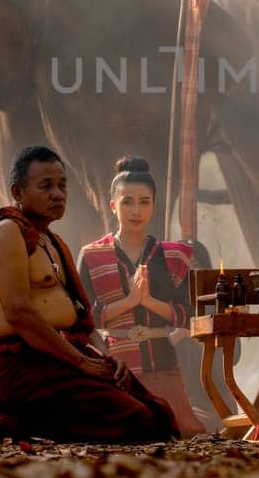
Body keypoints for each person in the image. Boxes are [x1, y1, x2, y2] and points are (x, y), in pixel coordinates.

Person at [0, 145, 179, 443]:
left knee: (160, 415)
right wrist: (80, 362)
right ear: (18, 191)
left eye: (62, 185)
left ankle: (24, 422)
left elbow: (80, 317)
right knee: (139, 422)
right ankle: (22, 424)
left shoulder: (51, 240)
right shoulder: (7, 231)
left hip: (62, 359)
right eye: (46, 186)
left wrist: (105, 356)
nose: (58, 194)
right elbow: (19, 313)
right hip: (22, 366)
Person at [77, 157, 205, 436]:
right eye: (127, 202)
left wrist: (147, 302)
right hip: (115, 368)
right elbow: (80, 316)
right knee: (120, 435)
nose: (136, 210)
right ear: (113, 205)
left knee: (180, 433)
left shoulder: (172, 256)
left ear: (154, 206)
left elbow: (188, 313)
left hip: (163, 363)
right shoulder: (91, 255)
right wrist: (127, 303)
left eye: (144, 202)